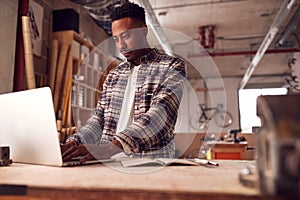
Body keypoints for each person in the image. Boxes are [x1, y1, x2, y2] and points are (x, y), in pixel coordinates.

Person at [62, 2, 186, 163]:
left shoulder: (171, 66)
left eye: (127, 36)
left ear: (143, 30)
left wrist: (108, 149)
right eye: (116, 39)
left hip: (151, 164)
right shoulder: (114, 75)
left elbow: (159, 117)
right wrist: (73, 143)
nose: (121, 45)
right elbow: (98, 121)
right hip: (110, 163)